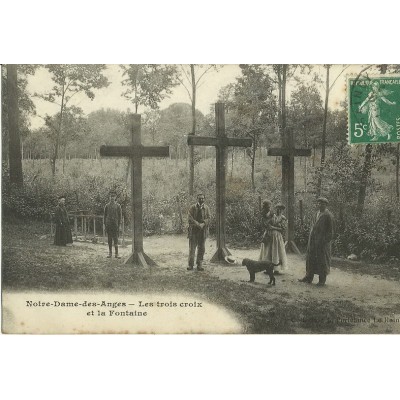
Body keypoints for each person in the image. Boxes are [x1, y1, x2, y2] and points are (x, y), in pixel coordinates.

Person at [299, 197, 334, 286]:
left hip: (322, 242)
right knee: (310, 258)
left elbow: (330, 232)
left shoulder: (328, 215)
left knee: (322, 260)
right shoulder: (316, 214)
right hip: (313, 241)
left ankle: (322, 280)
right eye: (319, 203)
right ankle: (308, 277)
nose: (320, 205)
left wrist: (325, 241)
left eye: (322, 203)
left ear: (326, 205)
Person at [259, 203, 288, 273]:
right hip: (269, 235)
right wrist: (270, 227)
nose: (278, 210)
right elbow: (266, 223)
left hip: (277, 236)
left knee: (276, 251)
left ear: (282, 210)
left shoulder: (283, 218)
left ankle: (276, 268)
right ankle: (268, 268)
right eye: (277, 209)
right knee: (268, 251)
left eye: (280, 209)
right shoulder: (272, 216)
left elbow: (283, 229)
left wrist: (274, 228)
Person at [187, 193, 210, 271]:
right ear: (197, 199)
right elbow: (190, 218)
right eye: (200, 198)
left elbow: (209, 218)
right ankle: (190, 265)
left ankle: (199, 265)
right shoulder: (192, 207)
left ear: (204, 199)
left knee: (201, 249)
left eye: (202, 198)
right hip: (193, 231)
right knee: (192, 249)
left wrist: (203, 223)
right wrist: (197, 224)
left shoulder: (206, 208)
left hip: (202, 232)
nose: (201, 200)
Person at [104, 190, 122, 258]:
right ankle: (110, 253)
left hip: (115, 225)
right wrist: (104, 224)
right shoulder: (107, 206)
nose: (112, 198)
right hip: (109, 225)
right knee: (109, 239)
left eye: (113, 196)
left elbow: (120, 217)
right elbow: (105, 216)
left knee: (116, 239)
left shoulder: (118, 206)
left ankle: (116, 254)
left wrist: (119, 225)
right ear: (109, 197)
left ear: (115, 197)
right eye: (111, 196)